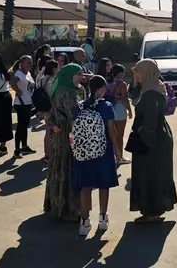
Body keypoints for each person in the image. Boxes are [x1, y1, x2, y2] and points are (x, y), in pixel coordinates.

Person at [128, 59, 177, 223]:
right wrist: (135, 79)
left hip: (153, 138)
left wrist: (144, 137)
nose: (136, 74)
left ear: (146, 72)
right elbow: (132, 94)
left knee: (149, 175)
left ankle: (152, 211)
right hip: (160, 134)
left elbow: (150, 119)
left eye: (138, 71)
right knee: (156, 173)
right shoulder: (155, 86)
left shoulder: (150, 94)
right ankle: (154, 210)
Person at [75, 76, 122, 235]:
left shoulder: (80, 106)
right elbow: (111, 130)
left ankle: (84, 222)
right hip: (103, 151)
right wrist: (117, 149)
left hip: (84, 152)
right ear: (101, 88)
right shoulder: (106, 106)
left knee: (85, 186)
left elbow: (74, 130)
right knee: (104, 184)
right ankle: (102, 219)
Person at [44, 63, 85, 221]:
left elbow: (50, 114)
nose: (81, 77)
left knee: (60, 168)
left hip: (60, 136)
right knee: (69, 170)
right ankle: (69, 210)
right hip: (69, 137)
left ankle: (59, 206)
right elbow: (75, 117)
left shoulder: (62, 89)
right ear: (68, 76)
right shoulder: (69, 93)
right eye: (78, 74)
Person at [11, 55, 36, 158]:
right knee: (21, 127)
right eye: (28, 62)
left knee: (25, 126)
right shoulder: (19, 74)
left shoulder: (28, 73)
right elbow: (13, 83)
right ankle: (17, 149)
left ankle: (24, 147)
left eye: (31, 62)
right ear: (22, 63)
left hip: (28, 103)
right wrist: (18, 91)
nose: (30, 64)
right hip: (21, 104)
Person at [107, 64, 133, 165]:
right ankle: (120, 157)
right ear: (119, 73)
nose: (124, 74)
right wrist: (130, 110)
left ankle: (113, 155)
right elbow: (125, 99)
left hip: (110, 109)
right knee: (119, 136)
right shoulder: (122, 84)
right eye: (123, 72)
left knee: (112, 134)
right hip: (119, 110)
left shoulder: (108, 82)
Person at [39, 59, 58, 162]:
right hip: (52, 107)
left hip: (45, 107)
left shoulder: (43, 78)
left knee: (47, 131)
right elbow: (54, 94)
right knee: (52, 132)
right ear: (54, 68)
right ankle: (50, 155)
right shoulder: (54, 79)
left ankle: (47, 153)